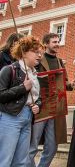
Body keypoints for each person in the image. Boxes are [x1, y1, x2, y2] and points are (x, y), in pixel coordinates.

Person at [29, 33, 75, 167]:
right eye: (54, 42)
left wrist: (71, 84)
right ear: (46, 44)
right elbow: (32, 79)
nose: (57, 44)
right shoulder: (38, 59)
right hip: (40, 107)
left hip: (56, 109)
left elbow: (64, 81)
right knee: (32, 146)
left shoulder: (60, 61)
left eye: (58, 41)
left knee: (51, 147)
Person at [0, 35, 42, 166]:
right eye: (35, 52)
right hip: (10, 118)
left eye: (40, 52)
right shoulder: (9, 70)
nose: (39, 55)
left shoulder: (35, 74)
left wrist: (38, 105)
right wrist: (22, 88)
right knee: (5, 160)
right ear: (24, 52)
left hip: (28, 118)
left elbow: (36, 97)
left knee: (21, 162)